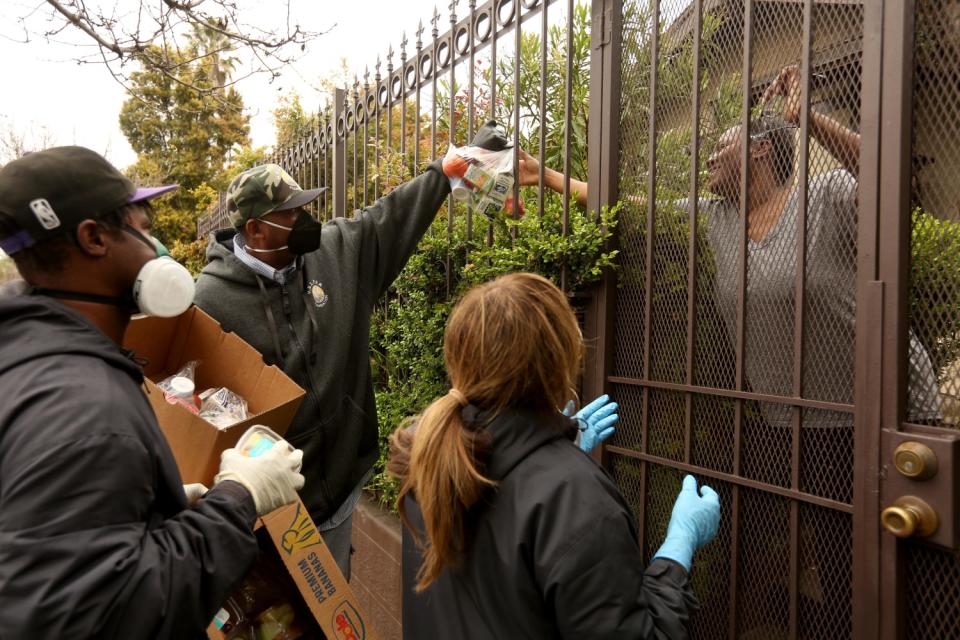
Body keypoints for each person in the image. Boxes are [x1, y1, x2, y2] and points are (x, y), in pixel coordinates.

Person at [520, 65, 942, 497]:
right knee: (835, 548)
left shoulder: (824, 193)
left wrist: (808, 120)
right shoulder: (715, 215)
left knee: (904, 542)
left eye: (722, 145)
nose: (709, 157)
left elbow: (893, 181)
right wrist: (545, 177)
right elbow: (631, 205)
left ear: (760, 149)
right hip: (799, 421)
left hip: (887, 406)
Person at [0, 146, 306, 638]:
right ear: (94, 238)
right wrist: (239, 498)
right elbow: (109, 616)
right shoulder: (82, 406)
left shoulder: (34, 361)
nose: (155, 246)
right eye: (141, 227)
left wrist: (152, 511)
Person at [193, 121, 517, 579]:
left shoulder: (332, 253)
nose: (306, 219)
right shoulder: (209, 301)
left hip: (341, 485)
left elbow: (387, 218)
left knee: (333, 596)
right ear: (255, 230)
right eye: (291, 214)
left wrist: (444, 172)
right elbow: (201, 410)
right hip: (273, 502)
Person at [389, 272, 721, 639]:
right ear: (561, 358)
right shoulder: (576, 497)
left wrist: (546, 453)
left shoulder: (430, 456)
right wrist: (679, 547)